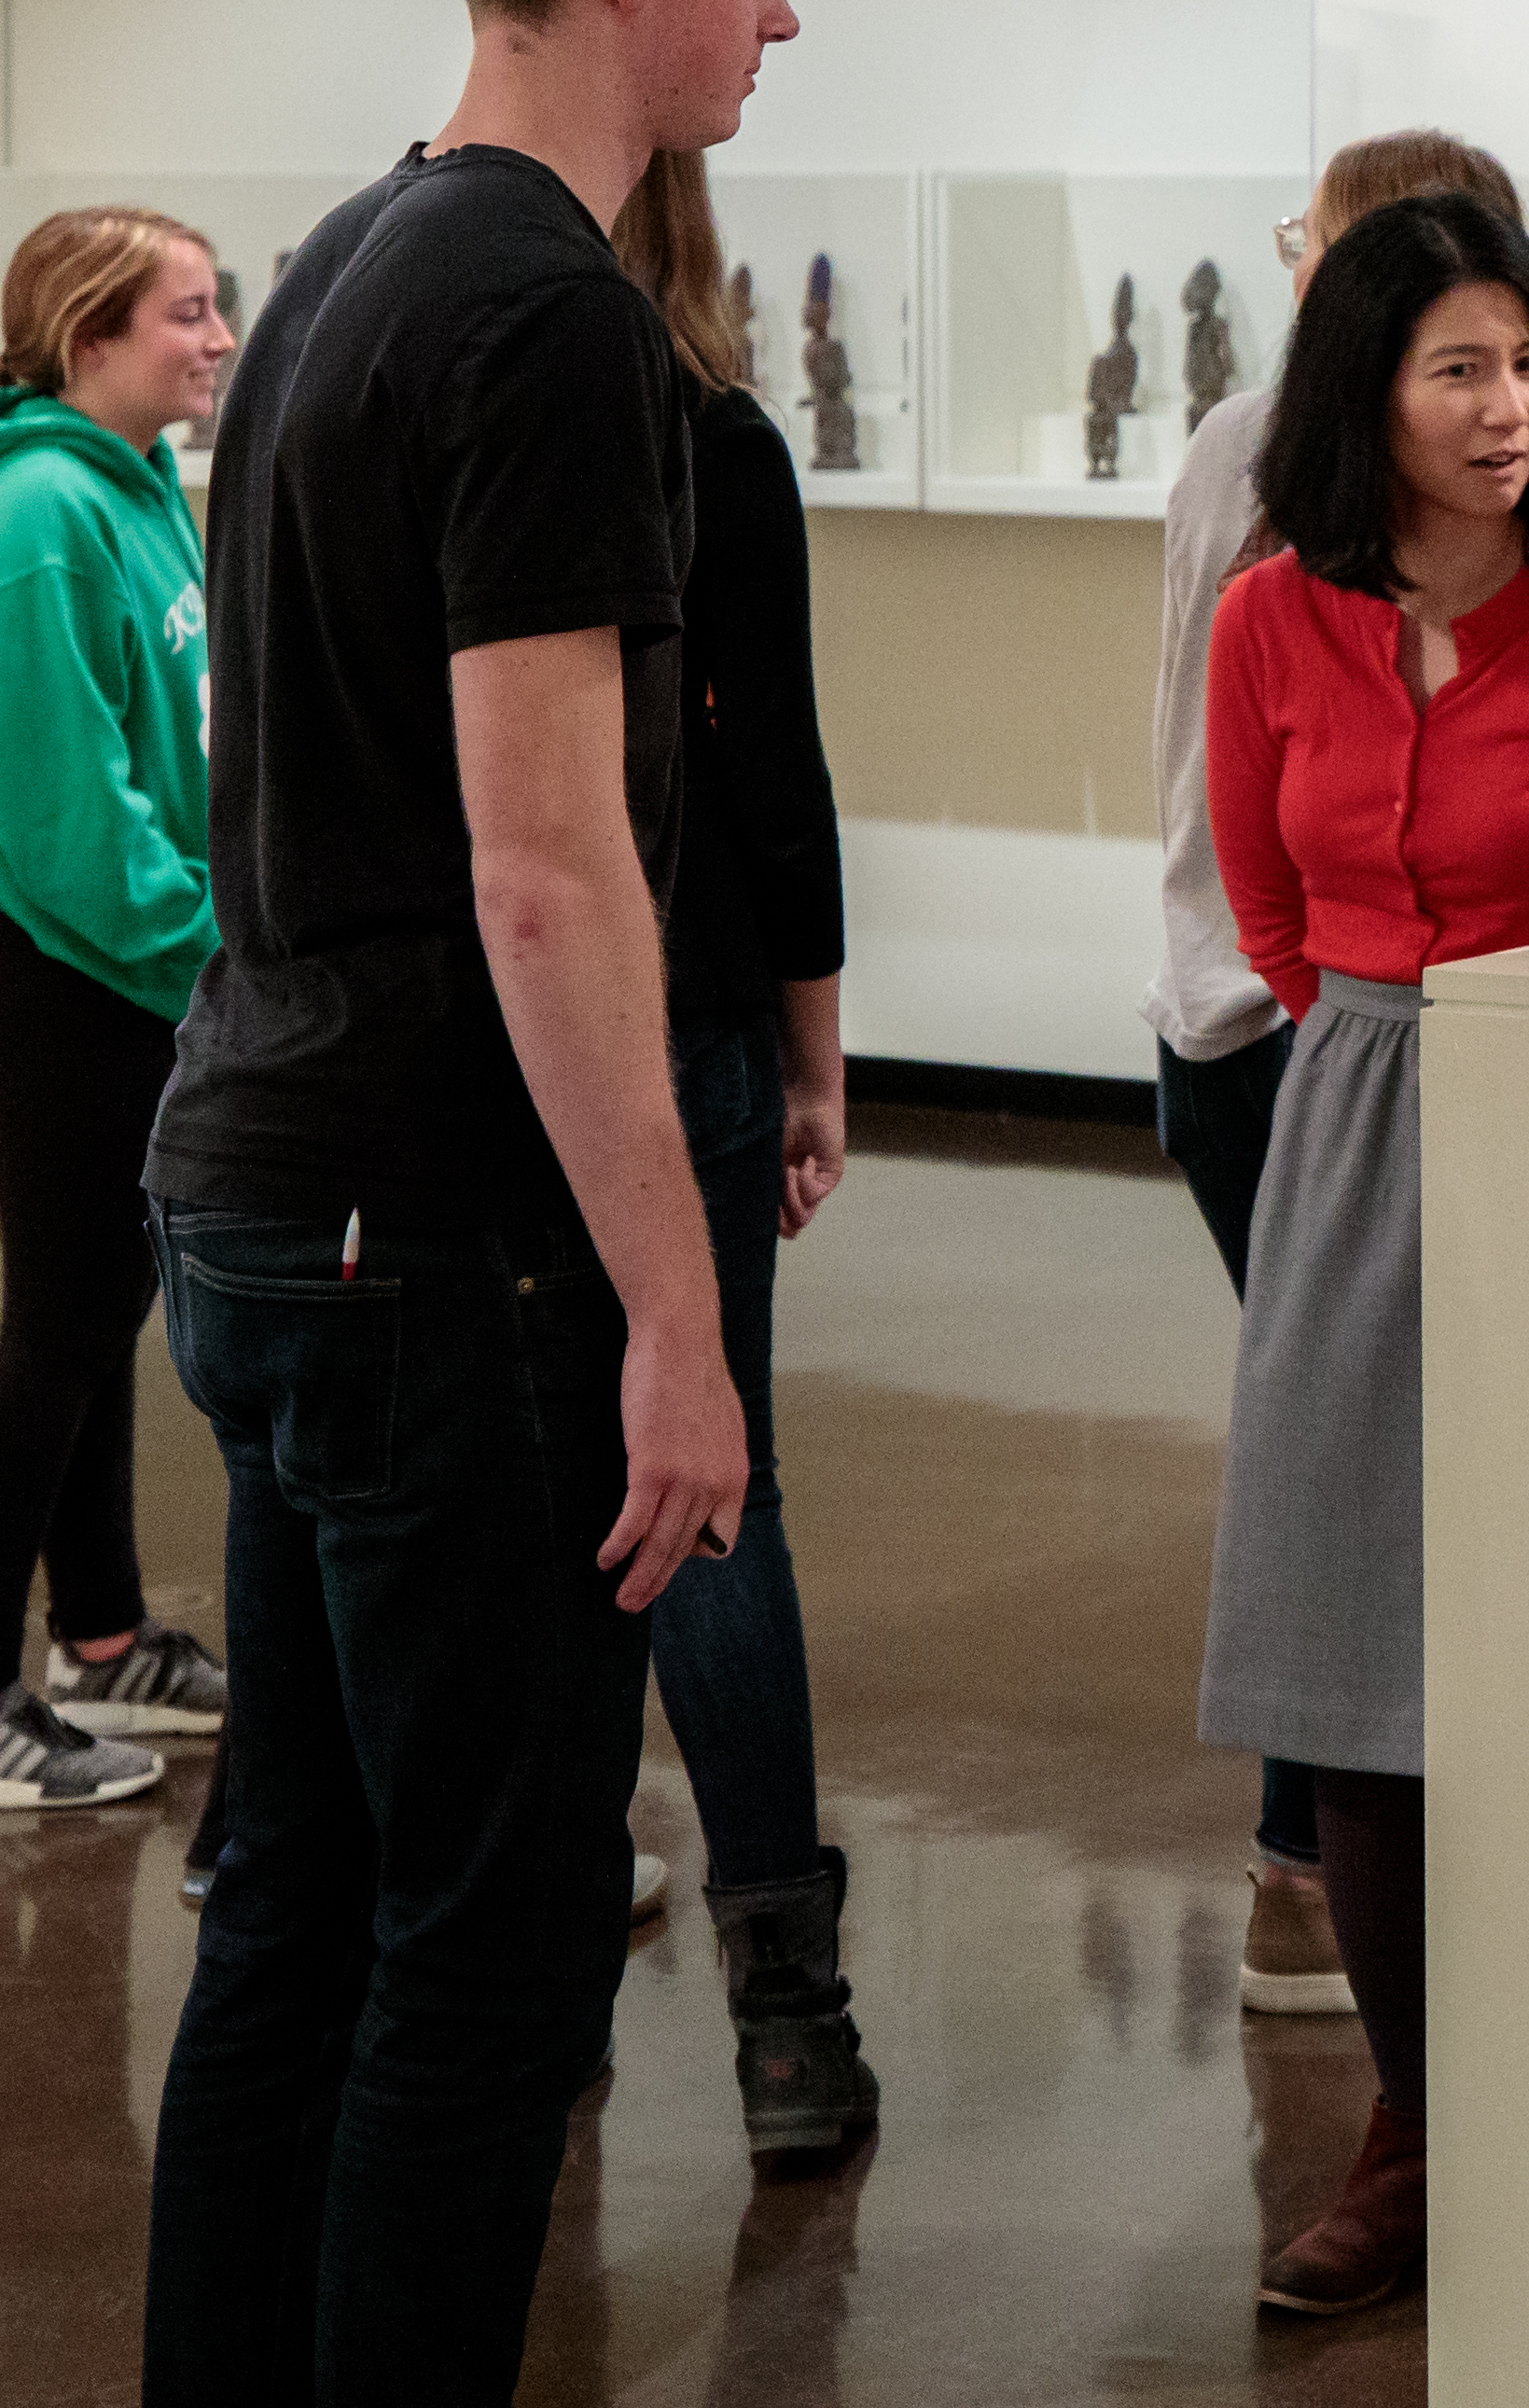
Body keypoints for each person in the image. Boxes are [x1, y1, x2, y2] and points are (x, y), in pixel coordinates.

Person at [136, 0, 788, 2402]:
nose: (782, 14)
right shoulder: (535, 315)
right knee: (488, 1955)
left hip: (271, 1196)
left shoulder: (338, 269)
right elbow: (544, 866)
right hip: (441, 1249)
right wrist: (672, 1304)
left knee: (298, 1886)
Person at [1202, 190, 1529, 2320]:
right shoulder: (1269, 621)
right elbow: (1264, 901)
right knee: (1354, 1666)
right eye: (1459, 368)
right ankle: (1420, 2126)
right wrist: (1381, 1049)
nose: (1509, 406)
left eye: (1526, 363)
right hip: (1359, 1126)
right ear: (1367, 393)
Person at [1152, 134, 1515, 2031]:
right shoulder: (1260, 468)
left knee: (1385, 1481)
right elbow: (1246, 810)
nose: (1495, 395)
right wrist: (1333, 1018)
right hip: (1289, 1039)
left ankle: (1324, 1876)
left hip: (1310, 1029)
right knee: (1346, 1486)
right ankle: (1313, 1886)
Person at [0, 205, 239, 1814]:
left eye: (218, 306)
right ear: (92, 336)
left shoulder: (139, 484)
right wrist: (216, 957)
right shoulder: (35, 510)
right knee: (55, 1333)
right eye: (185, 313)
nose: (218, 336)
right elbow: (67, 820)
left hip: (123, 963)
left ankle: (99, 1643)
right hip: (61, 969)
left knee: (100, 1320)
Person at [608, 146, 878, 2162]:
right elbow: (769, 760)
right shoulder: (716, 437)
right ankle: (784, 2001)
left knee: (535, 1482)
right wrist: (812, 1057)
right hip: (686, 1014)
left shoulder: (420, 388)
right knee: (710, 1481)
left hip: (470, 1045)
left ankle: (520, 1972)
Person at [1148, 132, 1523, 1296]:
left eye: (1303, 245)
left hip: (1294, 1011)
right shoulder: (1259, 459)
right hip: (1302, 1012)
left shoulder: (1272, 453)